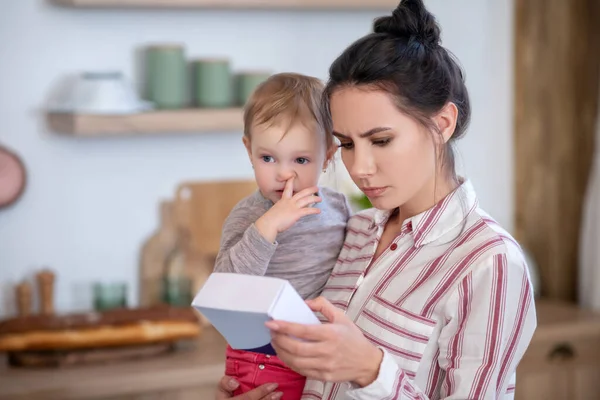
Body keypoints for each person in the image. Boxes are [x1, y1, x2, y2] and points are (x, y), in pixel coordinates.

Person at [217, 0, 537, 398]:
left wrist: (370, 369)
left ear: (442, 124)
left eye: (381, 140)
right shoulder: (353, 229)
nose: (360, 167)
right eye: (347, 144)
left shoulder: (489, 263)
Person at [213, 72, 351, 399]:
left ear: (328, 156)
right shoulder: (248, 216)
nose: (284, 173)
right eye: (268, 158)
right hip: (260, 357)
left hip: (318, 356)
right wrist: (267, 227)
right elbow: (223, 291)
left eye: (301, 159)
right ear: (249, 152)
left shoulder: (339, 209)